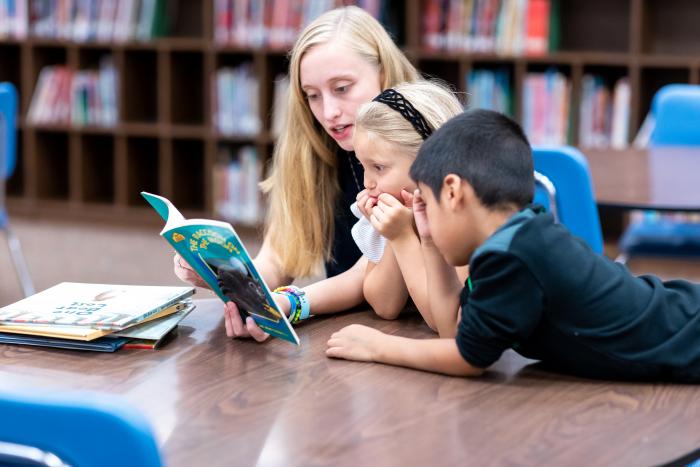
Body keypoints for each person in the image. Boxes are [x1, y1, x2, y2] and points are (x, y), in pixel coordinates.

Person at [326, 109, 700, 382]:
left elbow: (468, 358)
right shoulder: (519, 237)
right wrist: (425, 240)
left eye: (427, 202)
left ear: (454, 192)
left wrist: (377, 347)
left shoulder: (512, 257)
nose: (426, 218)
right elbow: (456, 333)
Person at [174, 6, 420, 341]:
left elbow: (370, 279)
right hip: (352, 330)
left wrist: (291, 302)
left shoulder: (415, 150)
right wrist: (225, 276)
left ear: (384, 73)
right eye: (313, 96)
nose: (329, 112)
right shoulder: (312, 149)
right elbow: (280, 257)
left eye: (343, 88)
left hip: (422, 329)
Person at [350, 80, 467, 329]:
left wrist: (403, 238)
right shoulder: (400, 212)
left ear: (429, 162)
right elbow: (384, 306)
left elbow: (447, 322)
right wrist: (394, 236)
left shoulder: (464, 219)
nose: (367, 182)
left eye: (379, 167)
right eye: (363, 166)